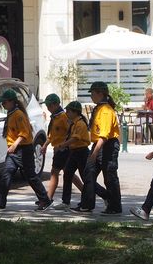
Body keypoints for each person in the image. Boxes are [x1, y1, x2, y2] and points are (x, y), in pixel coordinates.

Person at [0, 89, 51, 211]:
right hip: (14, 151)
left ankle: (45, 199)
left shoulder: (18, 115)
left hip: (23, 150)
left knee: (31, 176)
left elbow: (25, 133)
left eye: (4, 102)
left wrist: (14, 145)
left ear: (12, 102)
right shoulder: (11, 113)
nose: (3, 105)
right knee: (6, 175)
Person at [75, 81, 122, 214]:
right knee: (88, 173)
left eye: (93, 93)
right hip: (98, 145)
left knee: (110, 176)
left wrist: (95, 153)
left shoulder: (106, 110)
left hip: (107, 146)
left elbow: (104, 135)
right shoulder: (99, 108)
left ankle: (115, 206)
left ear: (100, 93)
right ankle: (87, 204)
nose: (91, 96)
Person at [54, 101, 90, 210]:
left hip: (81, 152)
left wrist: (63, 145)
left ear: (75, 112)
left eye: (68, 111)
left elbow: (75, 138)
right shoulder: (73, 123)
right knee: (67, 174)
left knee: (86, 178)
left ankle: (103, 196)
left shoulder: (80, 124)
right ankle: (66, 201)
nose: (67, 113)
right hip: (74, 152)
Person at [41, 94, 71, 204]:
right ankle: (85, 194)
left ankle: (48, 198)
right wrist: (45, 145)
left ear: (56, 104)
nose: (48, 108)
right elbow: (53, 135)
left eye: (49, 105)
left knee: (55, 172)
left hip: (63, 149)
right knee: (68, 173)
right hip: (57, 149)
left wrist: (63, 145)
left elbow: (70, 133)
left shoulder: (63, 117)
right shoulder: (55, 117)